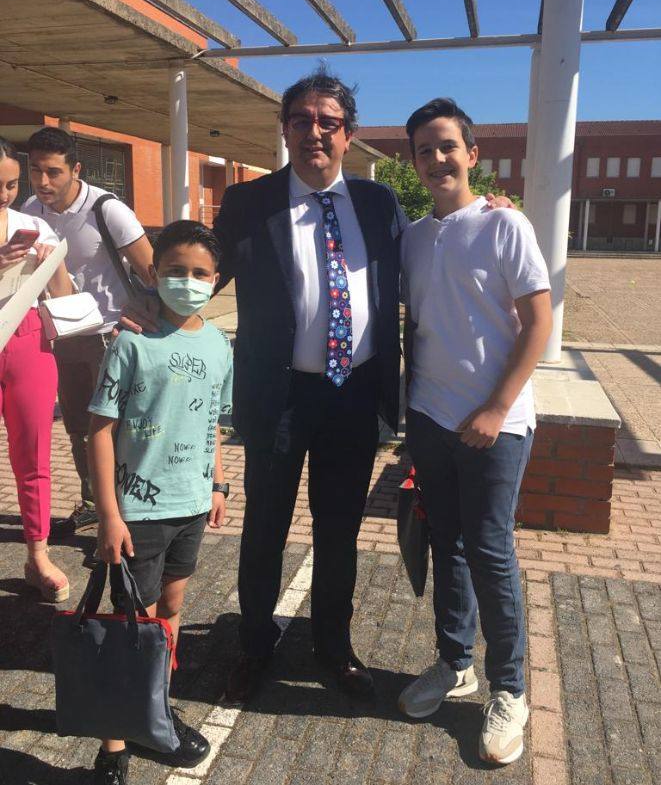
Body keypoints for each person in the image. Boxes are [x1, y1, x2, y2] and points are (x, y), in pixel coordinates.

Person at [208, 67, 408, 701]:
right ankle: (253, 643)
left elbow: (430, 261)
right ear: (285, 129)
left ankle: (333, 644)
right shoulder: (248, 203)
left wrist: (490, 215)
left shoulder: (379, 206)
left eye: (329, 122)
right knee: (264, 524)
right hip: (278, 394)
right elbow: (202, 274)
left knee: (339, 528)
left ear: (348, 135)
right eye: (302, 120)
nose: (315, 132)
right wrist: (148, 303)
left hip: (354, 395)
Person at [397, 98, 552, 765]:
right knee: (446, 543)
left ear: (471, 154)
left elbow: (538, 322)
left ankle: (510, 688)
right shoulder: (411, 237)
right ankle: (454, 661)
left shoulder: (504, 224)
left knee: (489, 551)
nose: (436, 159)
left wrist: (496, 406)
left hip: (495, 423)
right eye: (424, 150)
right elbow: (419, 324)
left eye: (446, 146)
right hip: (431, 418)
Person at [87, 220, 233, 785]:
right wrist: (108, 514)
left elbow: (214, 423)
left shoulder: (219, 344)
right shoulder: (132, 340)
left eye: (199, 274)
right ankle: (113, 746)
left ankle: (154, 712)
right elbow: (100, 430)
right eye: (175, 271)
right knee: (130, 628)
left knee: (168, 613)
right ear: (154, 273)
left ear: (216, 281)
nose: (187, 282)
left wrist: (217, 484)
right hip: (136, 513)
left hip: (190, 507)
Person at [23, 127, 153, 536]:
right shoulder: (30, 209)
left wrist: (147, 317)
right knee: (79, 428)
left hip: (109, 336)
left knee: (115, 430)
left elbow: (151, 270)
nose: (44, 182)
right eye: (36, 171)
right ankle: (94, 503)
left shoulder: (106, 209)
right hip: (62, 334)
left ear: (75, 169)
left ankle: (126, 515)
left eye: (54, 172)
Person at [0, 137, 73, 601]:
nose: (4, 194)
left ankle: (37, 553)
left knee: (34, 454)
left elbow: (63, 296)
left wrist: (51, 265)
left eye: (9, 184)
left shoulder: (31, 224)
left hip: (27, 335)